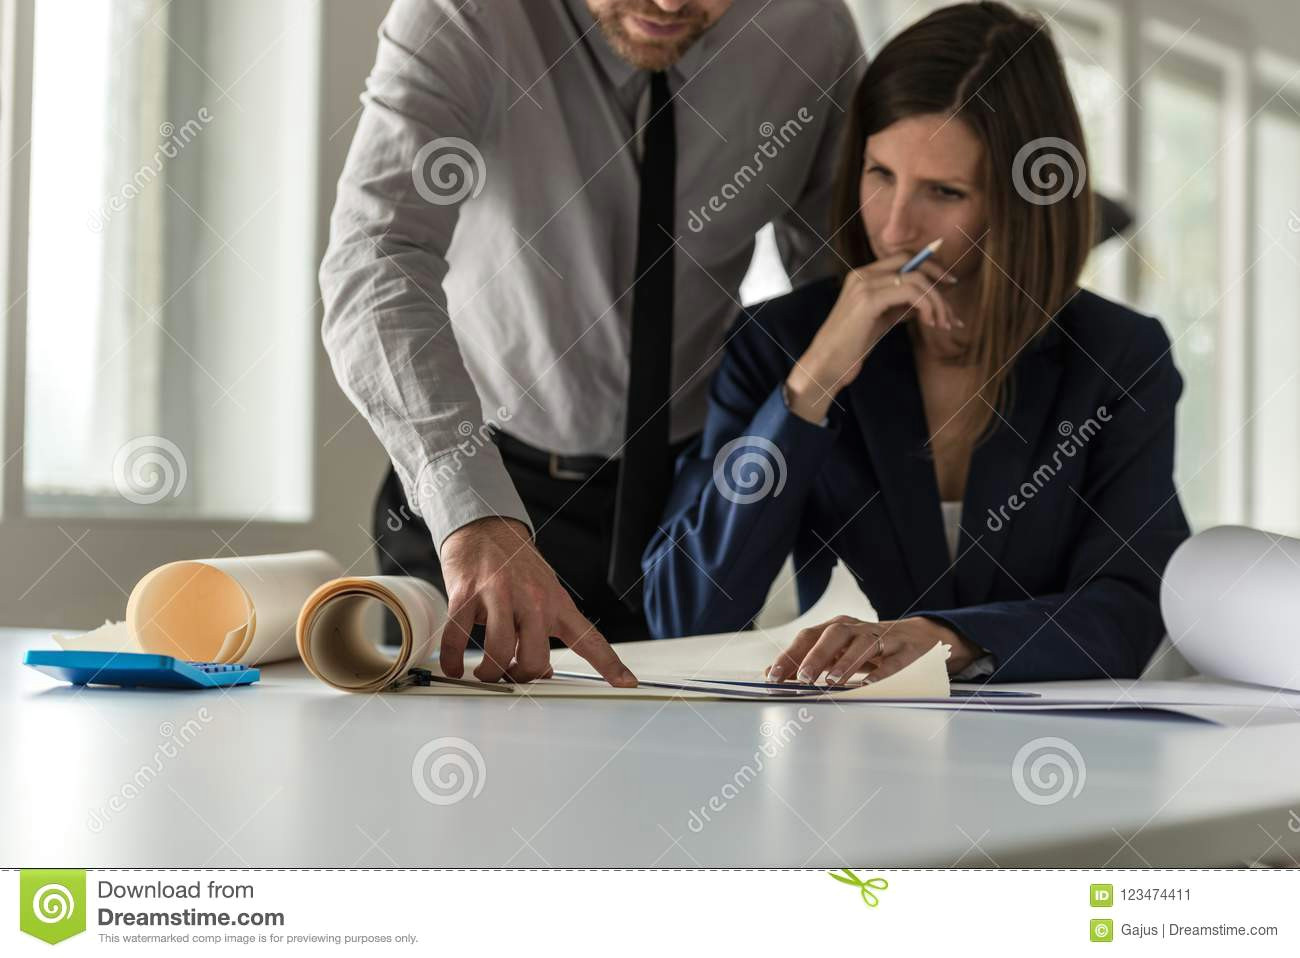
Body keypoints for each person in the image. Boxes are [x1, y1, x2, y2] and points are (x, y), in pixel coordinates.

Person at [641, 1, 1192, 684]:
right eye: (879, 174)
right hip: (848, 759)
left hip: (1053, 762)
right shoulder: (781, 343)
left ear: (1021, 200)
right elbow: (682, 614)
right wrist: (808, 391)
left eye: (943, 190)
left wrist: (950, 640)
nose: (896, 225)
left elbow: (1133, 611)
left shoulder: (1118, 356)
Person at [319, 0, 865, 685]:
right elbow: (377, 257)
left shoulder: (808, 29)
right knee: (468, 769)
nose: (670, 4)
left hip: (688, 505)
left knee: (688, 774)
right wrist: (474, 511)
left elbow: (838, 289)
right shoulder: (467, 16)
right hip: (490, 481)